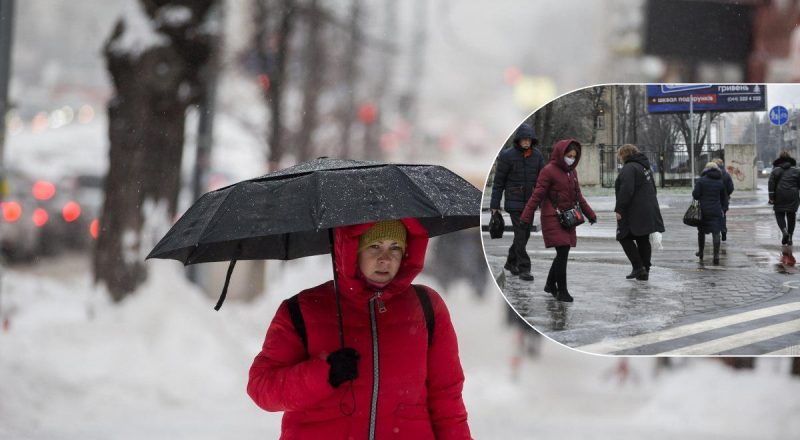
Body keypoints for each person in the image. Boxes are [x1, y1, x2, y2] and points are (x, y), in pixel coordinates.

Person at [247, 219, 472, 439]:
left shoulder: (426, 308)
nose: (385, 259)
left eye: (395, 247)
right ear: (352, 249)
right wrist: (324, 373)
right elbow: (262, 388)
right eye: (374, 246)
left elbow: (447, 400)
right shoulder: (302, 310)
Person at [520, 139, 597, 302]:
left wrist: (590, 214)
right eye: (569, 155)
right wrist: (526, 217)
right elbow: (537, 195)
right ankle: (562, 291)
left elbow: (579, 196)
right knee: (562, 252)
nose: (571, 159)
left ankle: (550, 284)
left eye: (574, 156)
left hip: (568, 218)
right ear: (560, 154)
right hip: (552, 217)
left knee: (563, 253)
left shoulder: (572, 172)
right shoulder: (548, 171)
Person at [490, 124, 546, 281]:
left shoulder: (537, 156)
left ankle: (510, 261)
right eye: (523, 139)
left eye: (529, 139)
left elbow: (543, 181)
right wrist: (495, 206)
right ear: (518, 140)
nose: (526, 142)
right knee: (521, 233)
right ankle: (524, 268)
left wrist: (543, 202)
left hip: (530, 202)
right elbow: (498, 182)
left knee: (525, 234)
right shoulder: (507, 156)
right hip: (514, 202)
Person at [614, 144, 665, 281]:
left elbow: (626, 190)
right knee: (642, 238)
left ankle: (638, 267)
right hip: (648, 208)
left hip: (634, 210)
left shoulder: (629, 168)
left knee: (623, 237)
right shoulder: (644, 167)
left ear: (624, 155)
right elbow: (653, 188)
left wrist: (619, 209)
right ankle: (644, 271)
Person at [692, 162, 728, 265]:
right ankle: (716, 256)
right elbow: (724, 198)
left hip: (703, 211)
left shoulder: (701, 181)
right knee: (716, 232)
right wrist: (723, 209)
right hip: (716, 210)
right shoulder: (720, 182)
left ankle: (701, 252)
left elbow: (695, 195)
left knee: (701, 231)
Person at [769, 150, 800, 246]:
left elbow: (771, 184)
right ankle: (790, 237)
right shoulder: (797, 170)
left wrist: (771, 197)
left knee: (779, 213)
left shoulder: (775, 171)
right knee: (791, 216)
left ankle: (784, 231)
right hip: (793, 195)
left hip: (779, 195)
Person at [712, 158, 734, 241]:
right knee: (722, 215)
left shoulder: (711, 174)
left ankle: (716, 233)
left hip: (713, 199)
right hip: (724, 200)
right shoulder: (726, 174)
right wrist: (726, 195)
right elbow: (731, 188)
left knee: (713, 216)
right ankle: (723, 231)